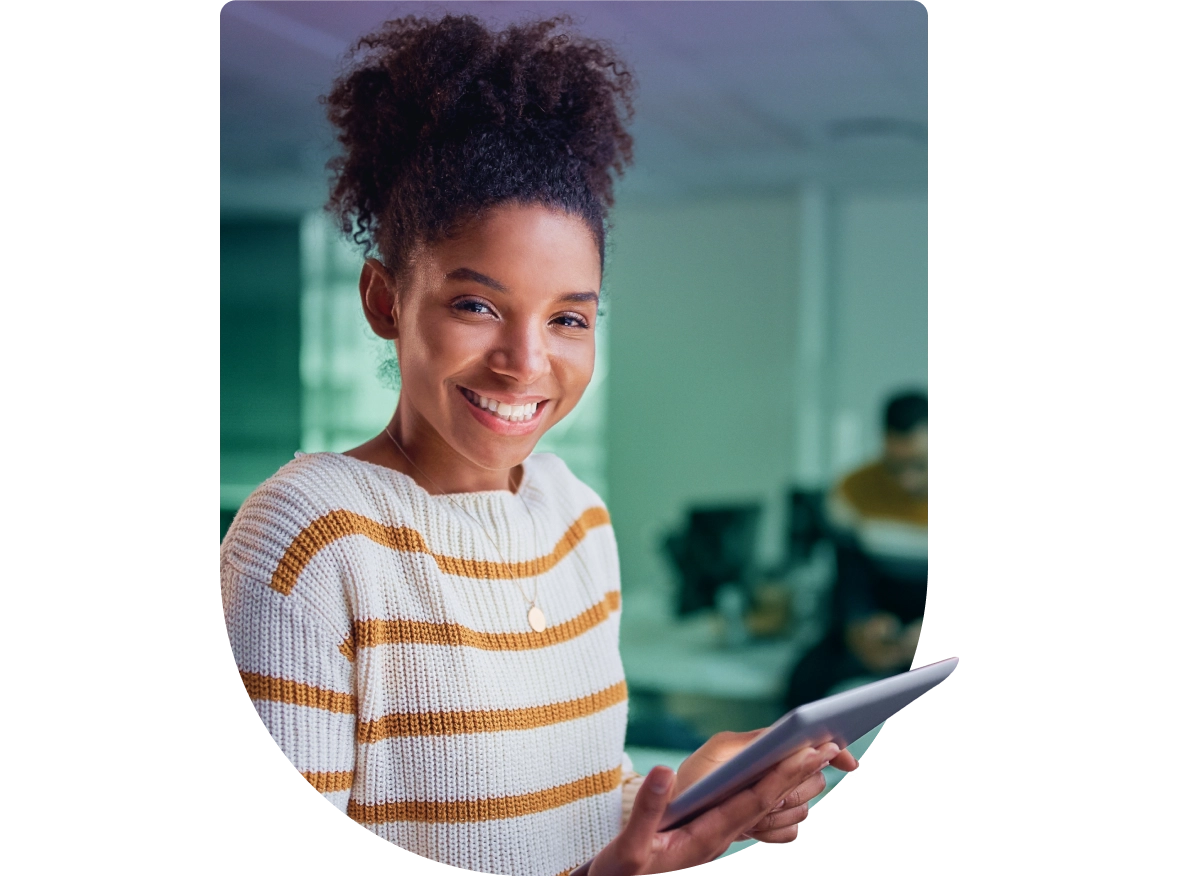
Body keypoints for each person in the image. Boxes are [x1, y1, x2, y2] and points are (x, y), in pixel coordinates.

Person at [219, 15, 855, 876]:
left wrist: (690, 797)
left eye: (568, 319)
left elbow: (577, 803)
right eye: (476, 306)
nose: (526, 362)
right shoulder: (306, 538)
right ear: (383, 300)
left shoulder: (576, 519)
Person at [785, 391, 928, 710]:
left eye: (919, 465)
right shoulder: (854, 491)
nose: (906, 480)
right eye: (896, 466)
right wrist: (860, 624)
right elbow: (848, 575)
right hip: (878, 623)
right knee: (805, 680)